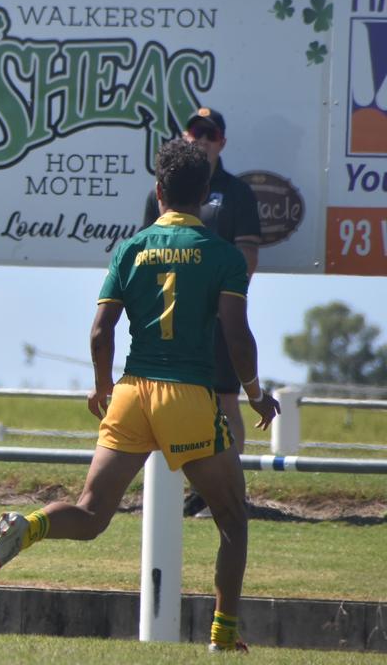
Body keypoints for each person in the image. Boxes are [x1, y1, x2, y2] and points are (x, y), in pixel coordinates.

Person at [0, 139, 279, 653]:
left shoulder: (130, 249)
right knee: (233, 520)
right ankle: (224, 634)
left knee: (90, 515)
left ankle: (28, 527)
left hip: (132, 393)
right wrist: (254, 393)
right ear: (204, 195)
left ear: (158, 192)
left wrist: (102, 386)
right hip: (188, 397)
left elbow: (99, 331)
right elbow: (237, 334)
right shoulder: (222, 255)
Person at [141, 107, 262, 516]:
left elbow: (247, 256)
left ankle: (228, 496)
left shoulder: (238, 193)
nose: (203, 140)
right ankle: (169, 496)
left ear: (222, 142)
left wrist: (221, 297)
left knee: (226, 402)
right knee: (163, 400)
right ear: (185, 136)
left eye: (211, 134)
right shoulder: (159, 192)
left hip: (216, 317)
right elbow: (145, 252)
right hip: (172, 319)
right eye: (196, 132)